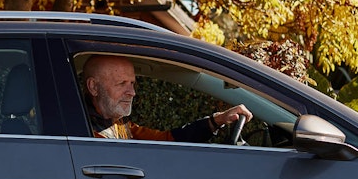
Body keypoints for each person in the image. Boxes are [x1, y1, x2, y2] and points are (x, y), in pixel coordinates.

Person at [82, 55, 251, 142]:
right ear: (94, 87)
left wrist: (217, 120)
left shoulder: (117, 124)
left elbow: (167, 140)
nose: (132, 92)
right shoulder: (78, 131)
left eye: (132, 83)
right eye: (121, 84)